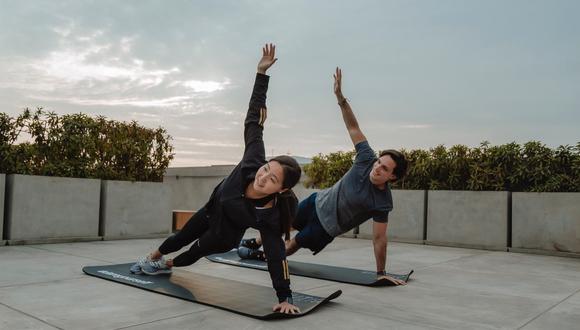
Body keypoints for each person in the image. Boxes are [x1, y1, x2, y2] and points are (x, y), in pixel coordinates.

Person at [130, 43, 302, 314]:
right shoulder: (253, 160)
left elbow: (276, 256)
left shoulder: (269, 215)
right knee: (180, 237)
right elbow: (253, 121)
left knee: (193, 253)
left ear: (281, 189)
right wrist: (261, 75)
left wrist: (285, 296)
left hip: (226, 234)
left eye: (272, 179)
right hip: (212, 211)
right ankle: (153, 258)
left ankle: (168, 265)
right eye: (267, 169)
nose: (263, 177)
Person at [240, 67, 409, 285]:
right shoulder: (366, 158)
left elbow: (379, 238)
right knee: (284, 222)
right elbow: (353, 127)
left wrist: (381, 272)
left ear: (392, 178)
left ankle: (262, 256)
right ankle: (255, 242)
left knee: (292, 244)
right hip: (317, 201)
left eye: (384, 169)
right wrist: (340, 98)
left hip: (326, 227)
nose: (377, 168)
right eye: (379, 162)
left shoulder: (382, 202)